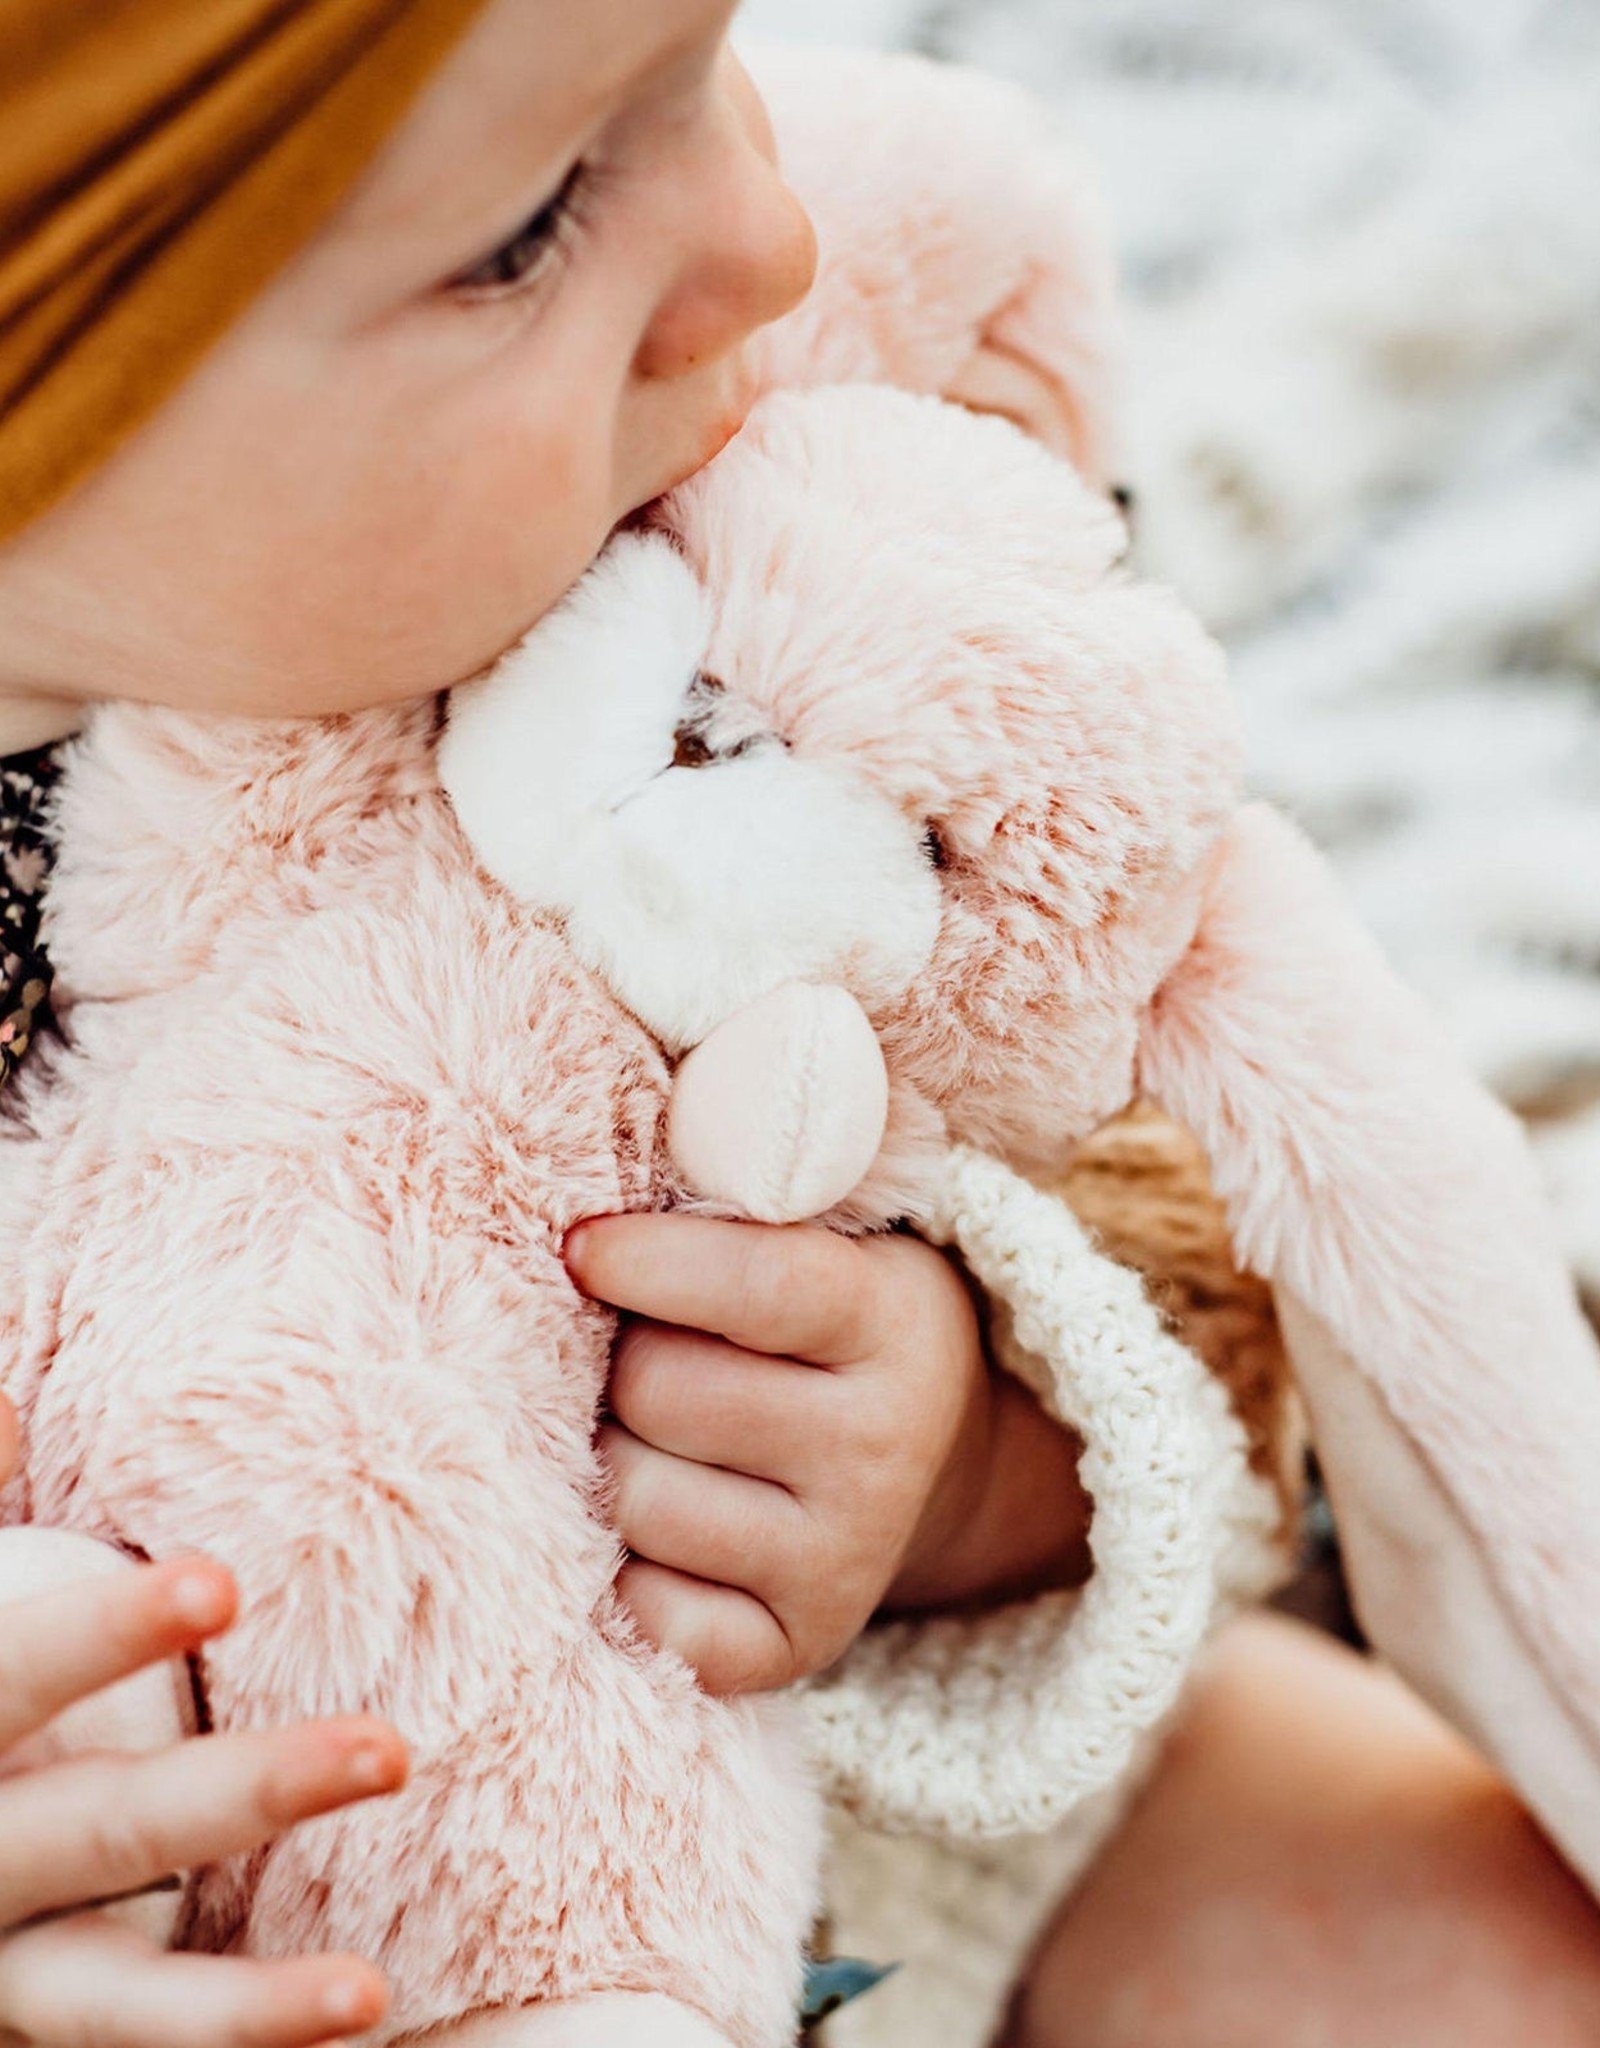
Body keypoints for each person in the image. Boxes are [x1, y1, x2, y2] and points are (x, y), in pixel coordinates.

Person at [0, 5, 1596, 2046]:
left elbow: (1169, 1165)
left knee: (1456, 1949)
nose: (754, 237)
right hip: (259, 1955)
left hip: (854, 1814)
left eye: (705, 53)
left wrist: (963, 1458)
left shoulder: (764, 453)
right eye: (521, 230)